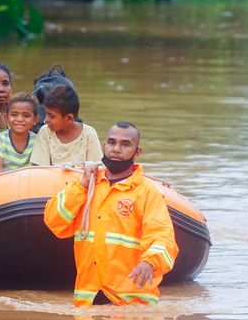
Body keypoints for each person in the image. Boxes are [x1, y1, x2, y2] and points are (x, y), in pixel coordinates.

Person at [43, 122, 179, 307]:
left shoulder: (147, 192)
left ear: (137, 152)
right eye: (112, 142)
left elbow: (163, 237)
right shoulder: (86, 186)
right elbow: (55, 223)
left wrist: (149, 262)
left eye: (125, 144)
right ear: (104, 145)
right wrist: (81, 186)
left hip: (131, 305)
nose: (116, 149)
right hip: (87, 302)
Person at [29, 85, 102, 166]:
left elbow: (96, 168)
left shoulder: (89, 134)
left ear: (69, 118)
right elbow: (41, 170)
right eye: (46, 114)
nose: (46, 119)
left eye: (51, 116)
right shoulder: (45, 132)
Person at [0, 92, 39, 173]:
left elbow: (38, 169)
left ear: (35, 120)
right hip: (1, 181)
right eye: (14, 114)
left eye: (26, 115)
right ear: (6, 117)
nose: (19, 119)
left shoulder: (38, 141)